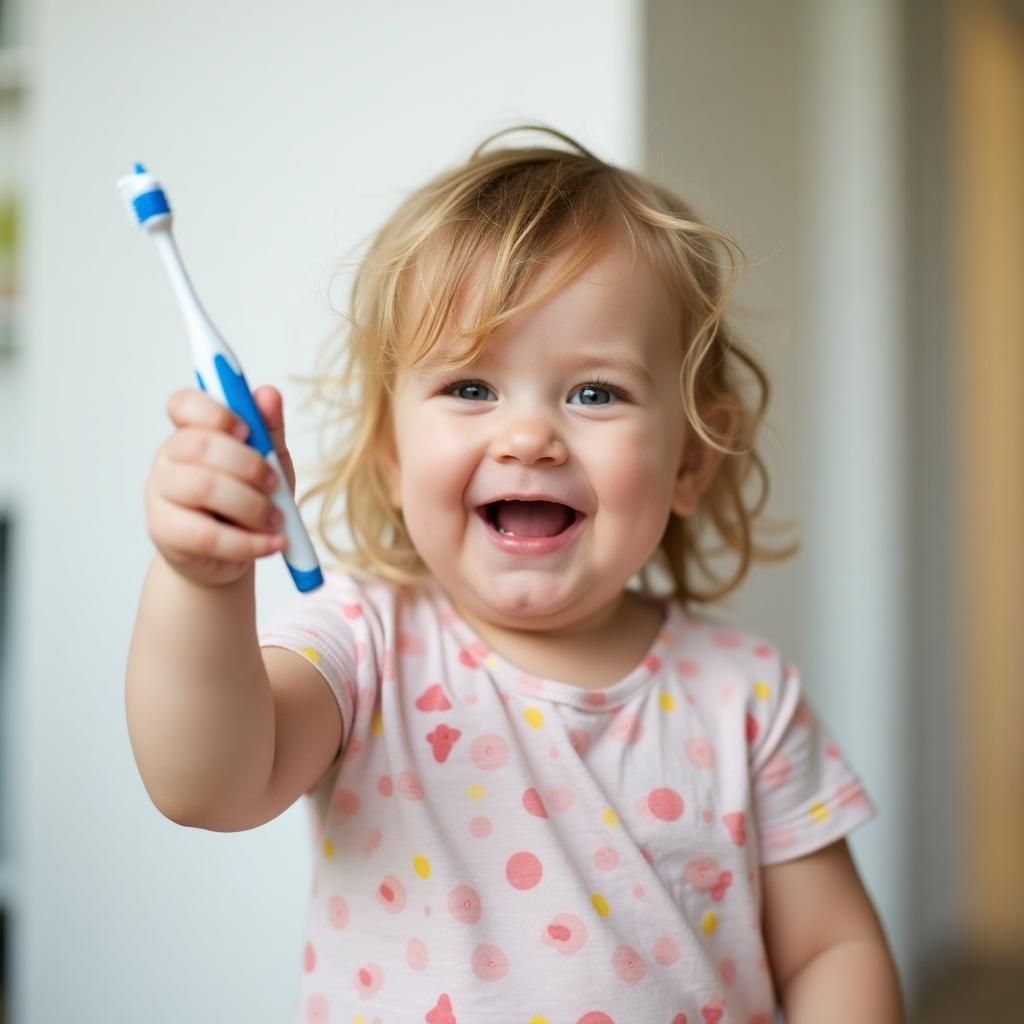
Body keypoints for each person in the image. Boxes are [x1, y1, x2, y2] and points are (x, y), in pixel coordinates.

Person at [125, 126, 903, 1023]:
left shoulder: (745, 695)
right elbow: (207, 782)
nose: (528, 436)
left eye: (594, 393)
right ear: (390, 454)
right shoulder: (362, 644)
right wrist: (199, 580)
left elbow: (830, 950)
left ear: (690, 460)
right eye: (470, 388)